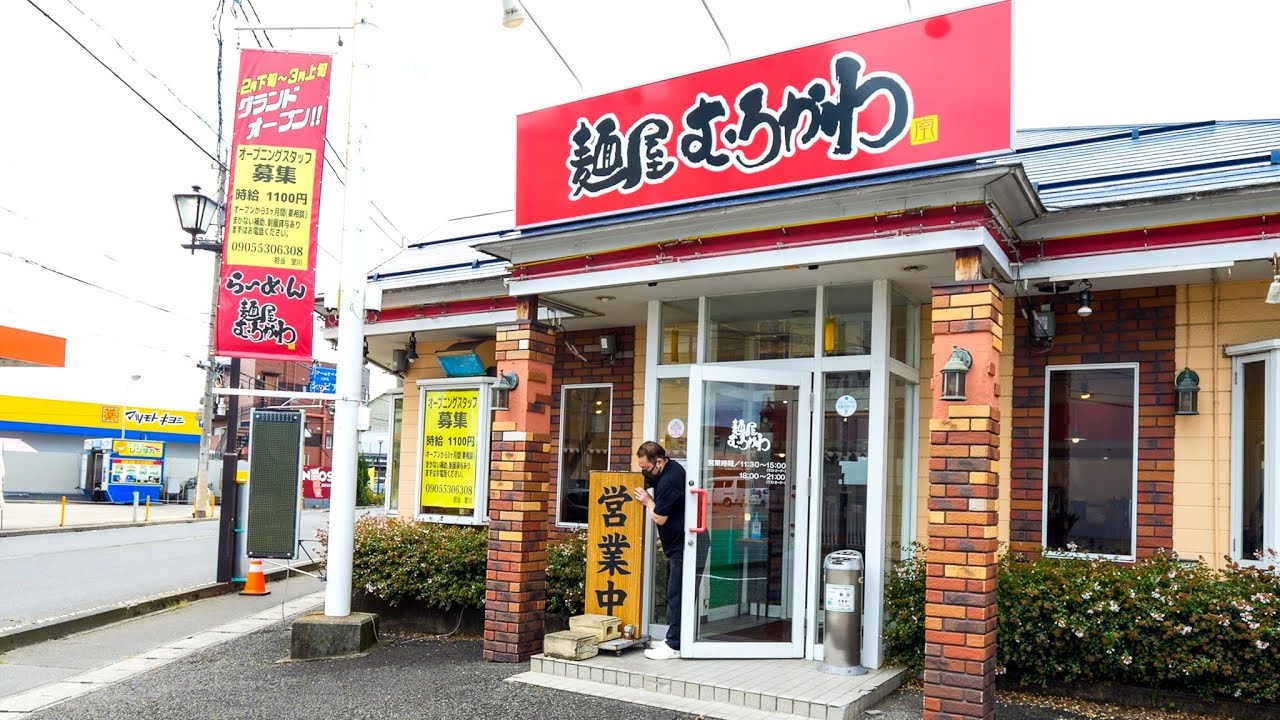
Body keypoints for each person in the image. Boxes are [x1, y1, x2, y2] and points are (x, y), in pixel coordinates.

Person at [631, 440, 686, 660]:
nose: (645, 473)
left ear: (659, 462)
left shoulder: (669, 480)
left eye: (646, 468)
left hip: (685, 544)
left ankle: (674, 645)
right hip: (680, 543)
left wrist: (647, 501)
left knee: (676, 594)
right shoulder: (669, 470)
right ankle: (674, 639)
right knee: (677, 593)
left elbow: (660, 518)